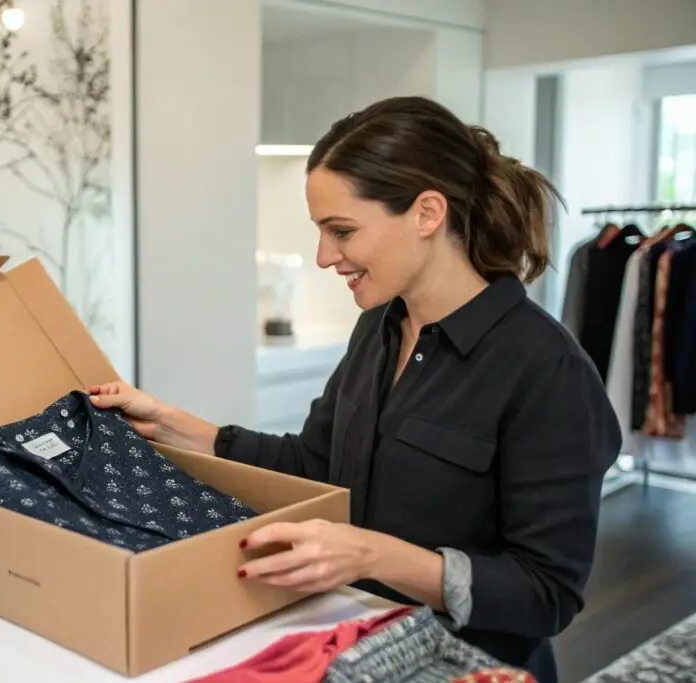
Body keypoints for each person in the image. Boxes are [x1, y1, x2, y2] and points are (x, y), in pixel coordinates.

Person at [86, 96, 621, 683]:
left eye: (341, 231)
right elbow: (314, 464)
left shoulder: (547, 370)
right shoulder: (378, 328)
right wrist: (172, 426)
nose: (323, 257)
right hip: (355, 649)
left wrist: (370, 553)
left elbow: (547, 593)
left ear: (427, 213)